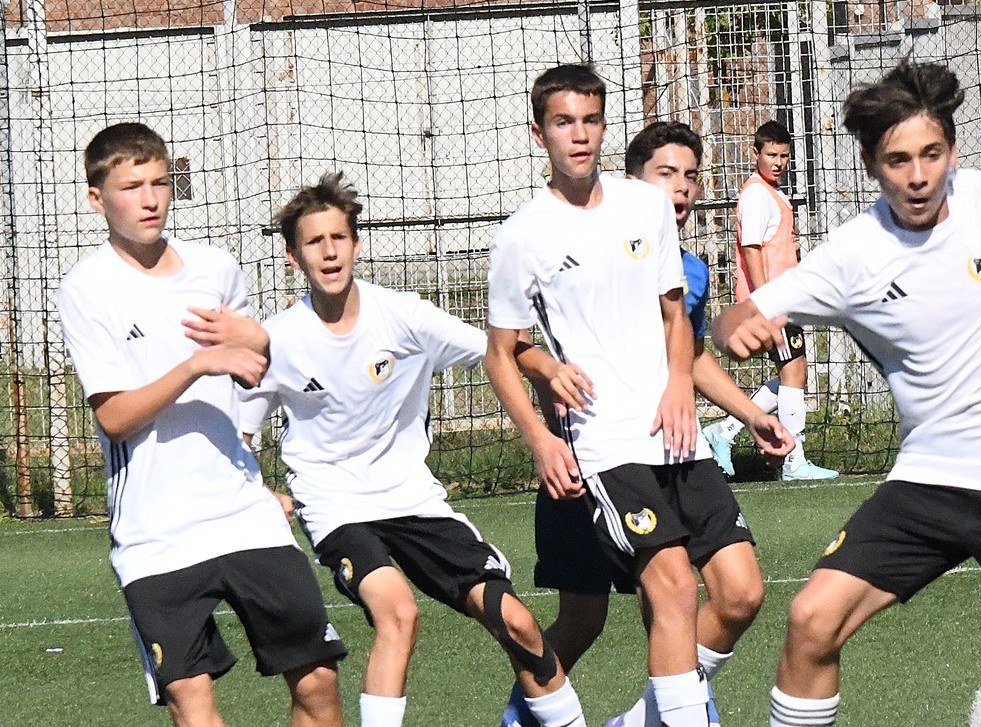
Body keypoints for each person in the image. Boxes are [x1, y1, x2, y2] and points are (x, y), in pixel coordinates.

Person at [711, 36, 981, 727]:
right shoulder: (854, 254)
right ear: (870, 165)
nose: (918, 176)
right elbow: (736, 315)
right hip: (931, 481)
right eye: (898, 160)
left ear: (952, 151)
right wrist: (734, 328)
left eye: (931, 154)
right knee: (811, 618)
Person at [238, 172, 587, 727]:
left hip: (412, 498)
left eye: (338, 238)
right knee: (398, 612)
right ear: (292, 256)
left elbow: (497, 351)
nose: (329, 252)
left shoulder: (404, 315)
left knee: (518, 622)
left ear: (356, 244)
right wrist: (257, 493)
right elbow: (238, 438)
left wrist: (547, 370)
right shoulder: (276, 339)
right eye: (314, 242)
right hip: (335, 505)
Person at [486, 65, 759, 727]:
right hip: (603, 441)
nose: (578, 135)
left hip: (673, 432)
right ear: (539, 133)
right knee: (668, 588)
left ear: (605, 127)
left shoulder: (645, 206)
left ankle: (643, 718)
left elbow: (675, 316)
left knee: (742, 591)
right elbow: (501, 351)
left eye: (589, 120)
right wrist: (541, 435)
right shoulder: (523, 234)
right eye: (563, 122)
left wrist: (679, 385)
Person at [56, 122, 347, 727]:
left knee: (318, 680)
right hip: (154, 534)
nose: (150, 199)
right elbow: (114, 418)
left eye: (160, 183)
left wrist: (258, 343)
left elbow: (255, 372)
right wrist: (194, 365)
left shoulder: (216, 268)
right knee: (191, 699)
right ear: (96, 198)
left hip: (243, 515)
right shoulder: (86, 289)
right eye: (132, 186)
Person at [703, 120, 839, 482]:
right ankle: (793, 461)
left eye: (784, 156)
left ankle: (724, 431)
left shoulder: (772, 193)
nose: (778, 162)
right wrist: (767, 302)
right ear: (755, 153)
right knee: (795, 373)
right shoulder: (757, 195)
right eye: (771, 155)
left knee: (792, 373)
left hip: (782, 303)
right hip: (769, 306)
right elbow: (751, 250)